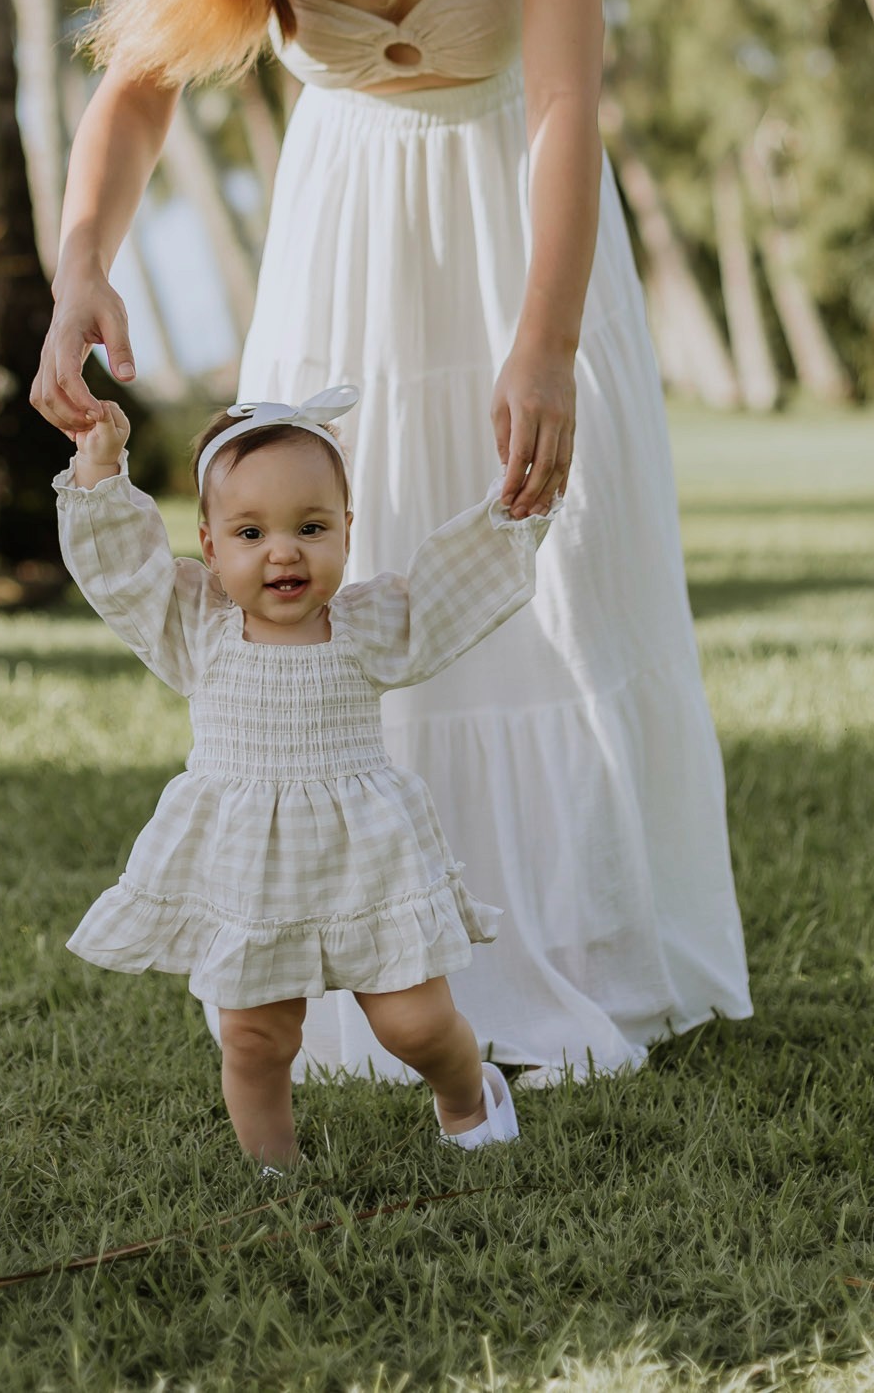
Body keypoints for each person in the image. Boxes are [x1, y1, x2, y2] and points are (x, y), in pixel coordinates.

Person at [33, 0, 751, 1081]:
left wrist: (543, 341)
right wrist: (82, 259)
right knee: (333, 597)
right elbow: (142, 85)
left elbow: (565, 105)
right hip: (343, 232)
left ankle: (573, 959)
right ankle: (358, 962)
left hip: (523, 224)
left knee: (542, 587)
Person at [58, 384, 549, 1166]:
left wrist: (513, 515)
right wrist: (101, 469)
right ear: (212, 548)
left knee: (413, 1024)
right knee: (255, 1035)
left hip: (365, 859)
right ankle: (274, 1170)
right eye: (250, 532)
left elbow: (450, 596)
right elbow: (124, 573)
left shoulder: (366, 626)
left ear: (347, 534)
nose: (283, 552)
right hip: (248, 866)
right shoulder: (197, 627)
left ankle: (467, 1096)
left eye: (311, 527)